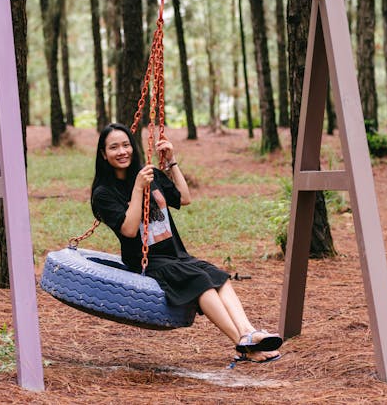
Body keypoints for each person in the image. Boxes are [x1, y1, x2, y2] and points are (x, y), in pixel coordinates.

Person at [90, 123, 282, 362]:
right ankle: (242, 345)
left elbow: (185, 198)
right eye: (114, 147)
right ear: (103, 154)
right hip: (145, 260)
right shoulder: (103, 193)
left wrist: (171, 161)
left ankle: (248, 332)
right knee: (200, 281)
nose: (122, 151)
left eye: (126, 145)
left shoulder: (149, 173)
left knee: (218, 276)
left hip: (175, 253)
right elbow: (129, 230)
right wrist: (138, 188)